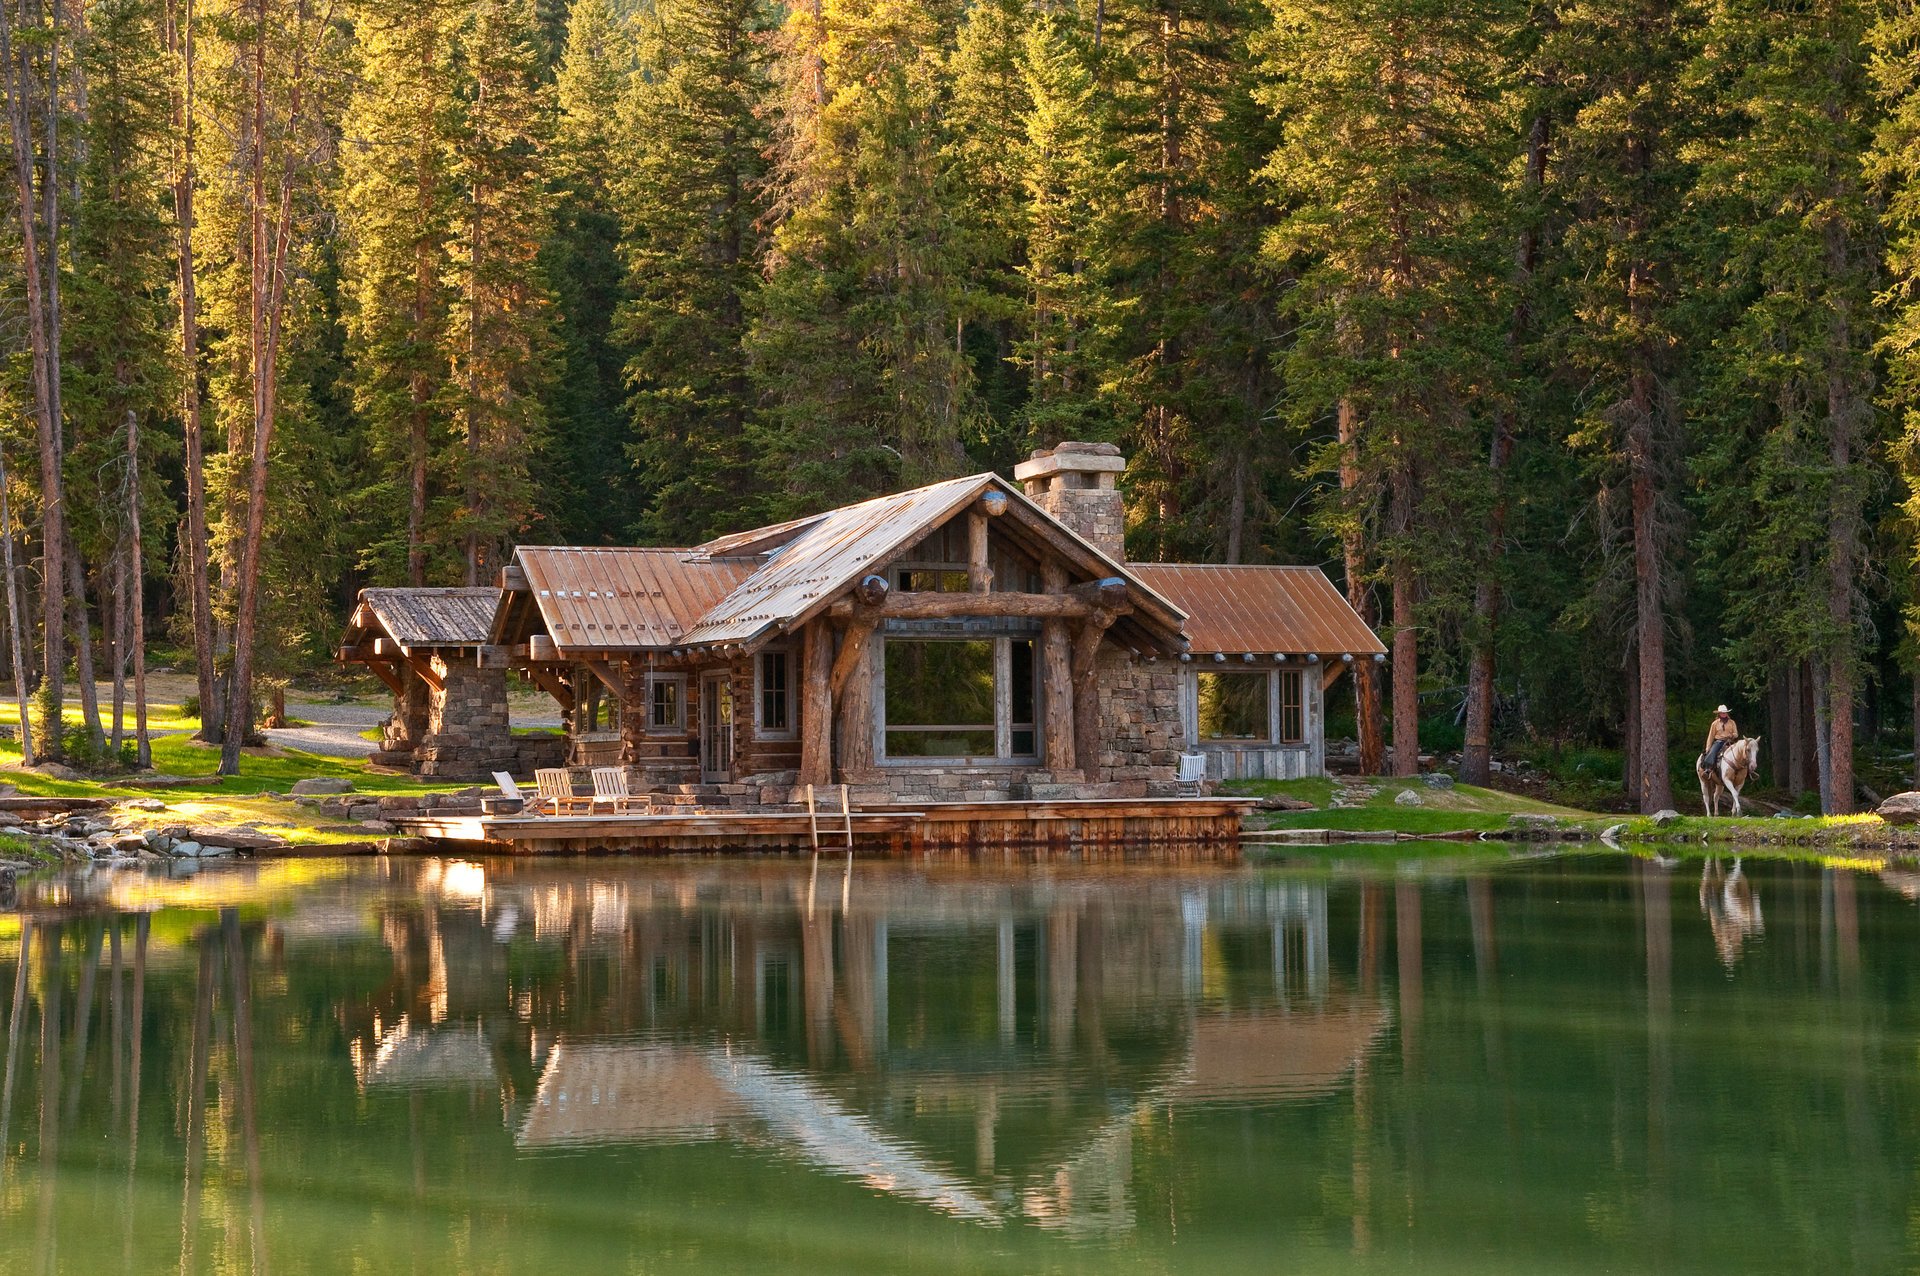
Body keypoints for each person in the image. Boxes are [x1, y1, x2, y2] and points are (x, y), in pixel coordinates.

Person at [1704, 705, 1739, 773]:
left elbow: (1736, 733)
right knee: (1712, 752)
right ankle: (1709, 768)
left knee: (1741, 751)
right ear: (1719, 713)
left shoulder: (1732, 722)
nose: (1724, 714)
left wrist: (1732, 735)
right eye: (1722, 713)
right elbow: (1711, 736)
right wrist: (1708, 747)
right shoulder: (1714, 724)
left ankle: (1746, 770)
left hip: (1730, 741)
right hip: (1719, 741)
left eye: (1725, 712)